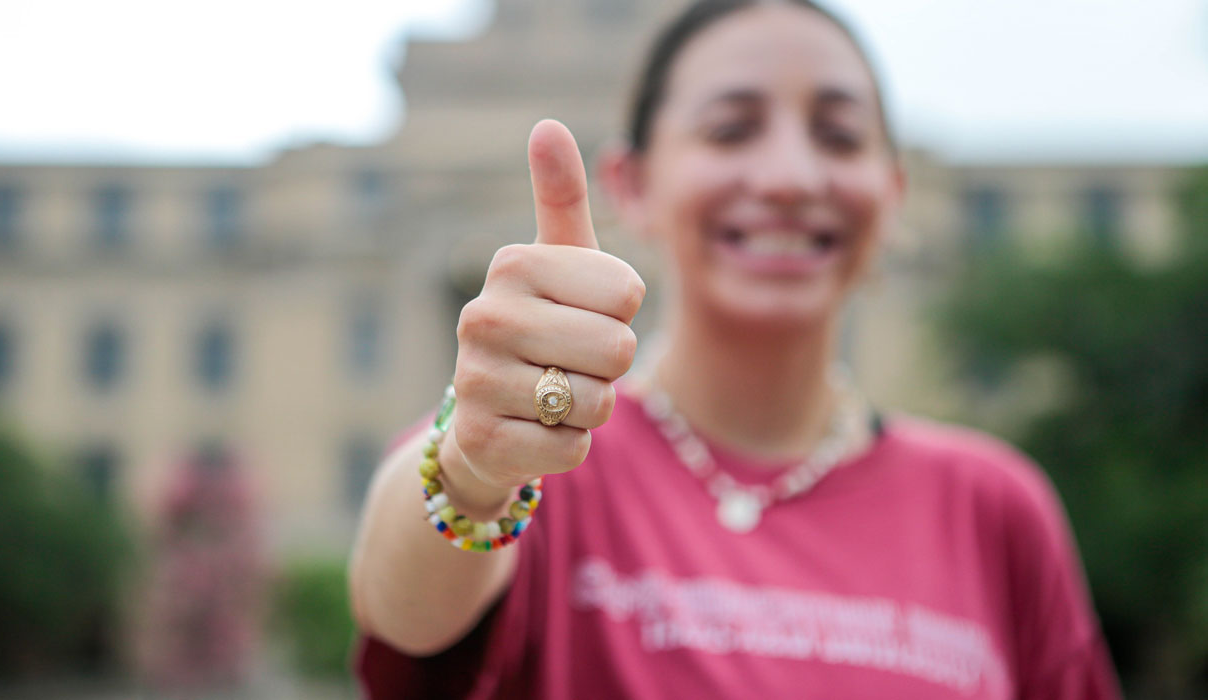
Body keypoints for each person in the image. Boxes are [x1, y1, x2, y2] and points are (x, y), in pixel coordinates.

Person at [348, 1, 1122, 697]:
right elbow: (402, 610)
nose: (788, 176)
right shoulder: (544, 459)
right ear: (632, 183)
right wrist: (474, 473)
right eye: (730, 128)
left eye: (838, 134)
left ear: (891, 193)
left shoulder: (991, 508)